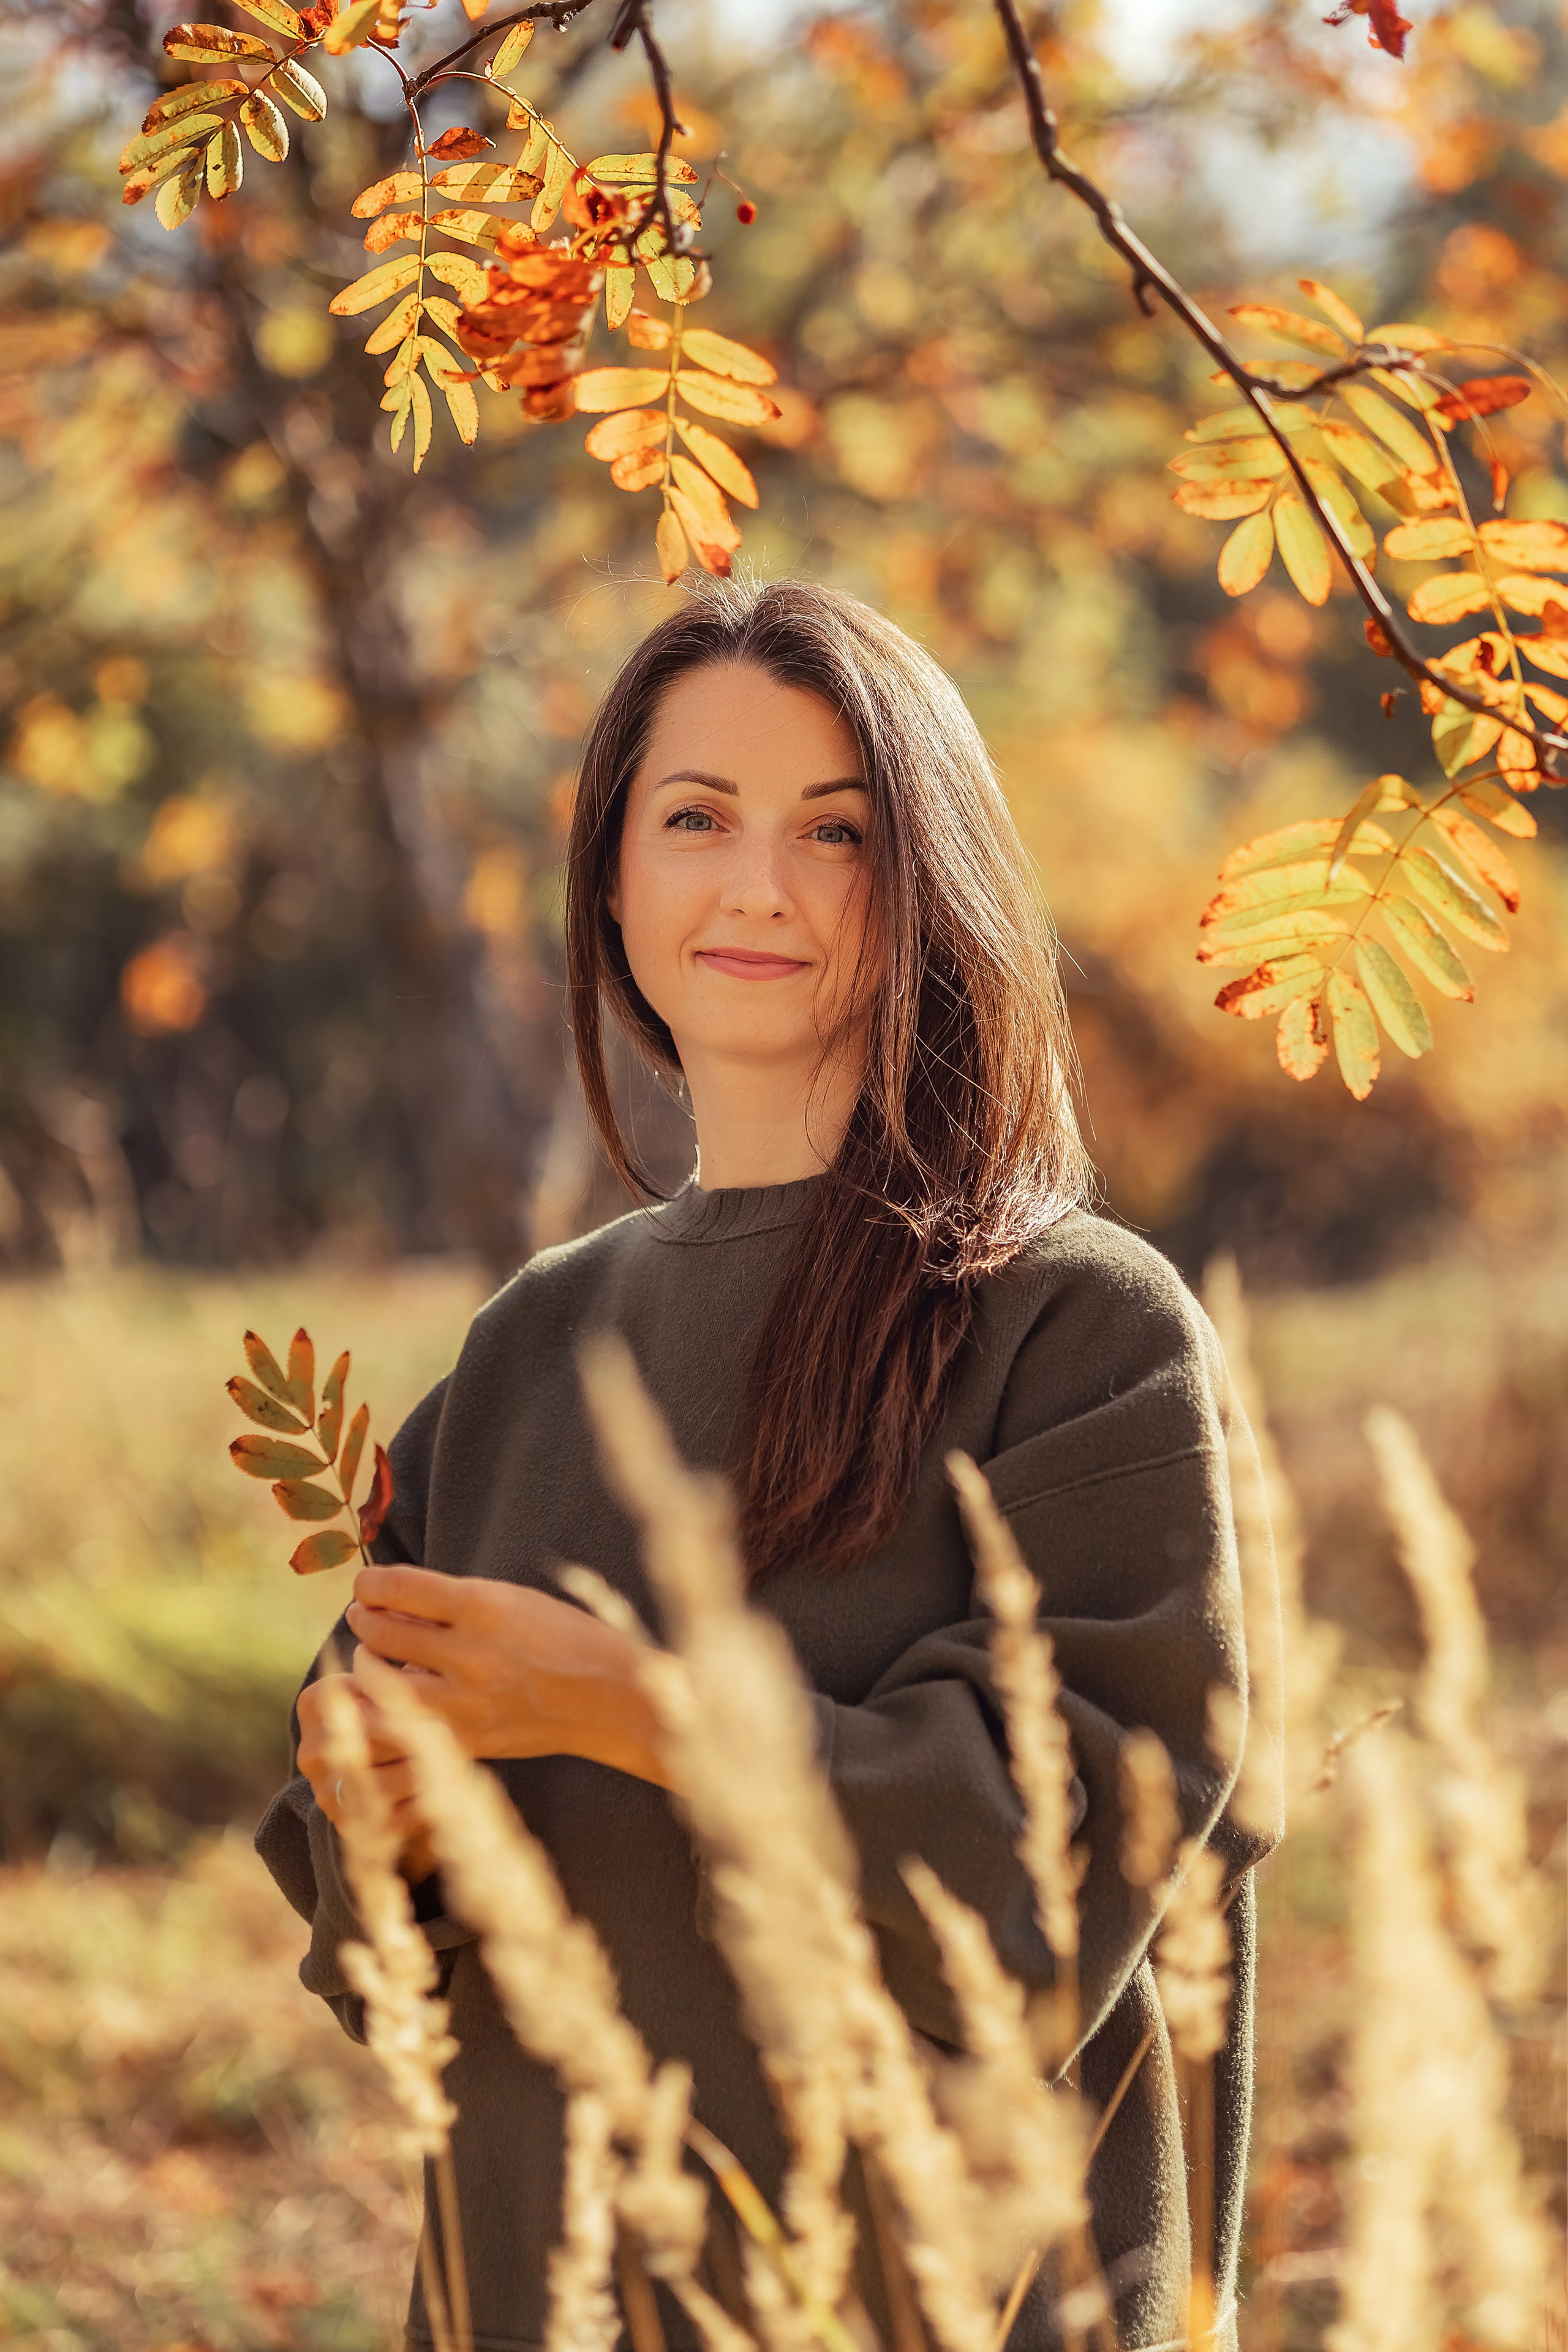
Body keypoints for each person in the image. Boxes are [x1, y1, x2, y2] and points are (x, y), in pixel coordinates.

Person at [256, 578, 1276, 2352]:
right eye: (697, 820)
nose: (758, 888)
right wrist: (375, 1810)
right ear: (614, 880)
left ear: (932, 878)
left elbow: (1069, 1875)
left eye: (838, 831)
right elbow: (379, 1957)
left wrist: (646, 1711)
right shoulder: (523, 1351)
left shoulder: (1080, 1328)